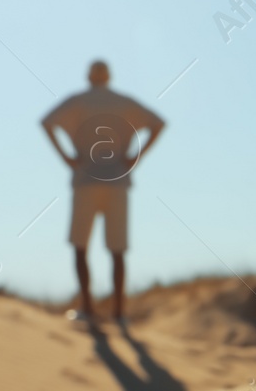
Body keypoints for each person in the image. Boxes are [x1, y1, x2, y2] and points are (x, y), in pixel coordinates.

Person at [40, 61, 165, 323]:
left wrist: (67, 158)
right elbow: (158, 124)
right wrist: (134, 159)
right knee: (117, 249)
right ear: (109, 77)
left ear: (89, 76)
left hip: (86, 179)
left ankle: (88, 308)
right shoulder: (123, 101)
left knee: (80, 246)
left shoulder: (78, 101)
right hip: (117, 180)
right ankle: (119, 313)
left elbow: (47, 123)